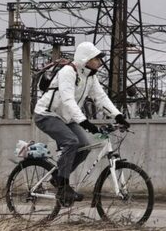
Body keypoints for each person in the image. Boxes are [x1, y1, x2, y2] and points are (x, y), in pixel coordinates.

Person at [34, 41, 130, 206]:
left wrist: (118, 115)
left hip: (66, 118)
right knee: (71, 141)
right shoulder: (68, 72)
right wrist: (85, 122)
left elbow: (101, 98)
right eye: (96, 58)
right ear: (86, 59)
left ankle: (58, 177)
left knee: (84, 145)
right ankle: (64, 186)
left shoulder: (90, 77)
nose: (100, 62)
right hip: (46, 114)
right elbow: (68, 100)